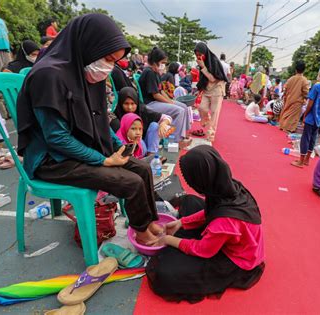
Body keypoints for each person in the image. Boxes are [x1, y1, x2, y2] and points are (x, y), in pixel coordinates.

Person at [16, 13, 162, 245]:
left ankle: (149, 221)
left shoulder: (84, 73)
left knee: (142, 169)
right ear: (87, 46)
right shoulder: (48, 76)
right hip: (52, 160)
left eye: (115, 61)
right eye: (107, 58)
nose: (109, 67)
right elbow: (56, 138)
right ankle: (142, 232)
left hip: (80, 147)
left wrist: (119, 147)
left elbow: (100, 121)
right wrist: (103, 160)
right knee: (131, 182)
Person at [146, 145, 265, 303]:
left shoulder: (225, 220)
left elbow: (203, 250)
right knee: (189, 200)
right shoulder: (226, 185)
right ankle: (183, 232)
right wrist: (181, 222)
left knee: (164, 273)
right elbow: (212, 210)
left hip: (237, 258)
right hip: (228, 232)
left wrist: (168, 240)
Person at [138, 47, 192, 146]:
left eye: (165, 63)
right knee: (179, 111)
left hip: (156, 101)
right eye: (163, 62)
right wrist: (170, 103)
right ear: (155, 61)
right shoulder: (149, 72)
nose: (164, 65)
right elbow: (155, 94)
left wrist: (171, 101)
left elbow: (161, 90)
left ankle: (183, 134)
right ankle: (174, 141)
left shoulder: (155, 72)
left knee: (183, 106)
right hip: (149, 103)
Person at [291, 61, 320, 168]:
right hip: (319, 117)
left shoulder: (317, 87)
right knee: (313, 138)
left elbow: (310, 104)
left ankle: (301, 161)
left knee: (305, 138)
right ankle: (307, 159)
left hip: (311, 117)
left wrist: (304, 116)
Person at [112, 87, 172, 154]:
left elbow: (167, 117)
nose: (130, 107)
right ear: (121, 103)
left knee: (155, 125)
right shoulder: (116, 116)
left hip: (144, 144)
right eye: (126, 104)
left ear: (137, 103)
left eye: (132, 103)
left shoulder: (142, 111)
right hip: (129, 148)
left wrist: (163, 124)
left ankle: (151, 154)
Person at [194, 42, 228, 141]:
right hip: (207, 89)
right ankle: (206, 120)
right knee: (201, 108)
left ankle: (211, 135)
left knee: (214, 113)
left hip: (217, 89)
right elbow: (203, 79)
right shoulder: (202, 62)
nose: (199, 57)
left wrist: (203, 67)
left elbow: (213, 79)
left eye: (200, 54)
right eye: (196, 55)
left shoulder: (214, 61)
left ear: (205, 52)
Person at [278, 60, 310, 133]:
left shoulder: (291, 78)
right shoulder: (304, 80)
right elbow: (306, 93)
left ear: (295, 70)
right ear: (304, 70)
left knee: (285, 115)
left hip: (288, 100)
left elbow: (284, 89)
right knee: (291, 120)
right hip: (297, 103)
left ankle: (282, 128)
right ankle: (287, 130)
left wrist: (286, 96)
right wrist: (305, 99)